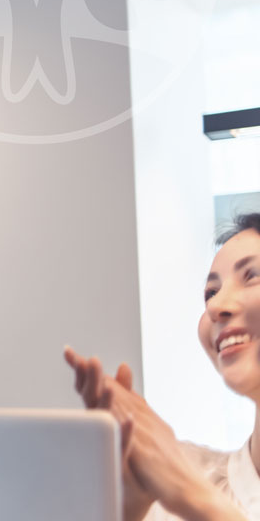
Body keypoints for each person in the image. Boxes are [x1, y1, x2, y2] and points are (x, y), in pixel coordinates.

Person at [64, 212, 260, 521]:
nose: (214, 306)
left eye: (251, 275)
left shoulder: (181, 482)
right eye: (211, 292)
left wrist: (195, 498)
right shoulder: (172, 476)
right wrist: (128, 508)